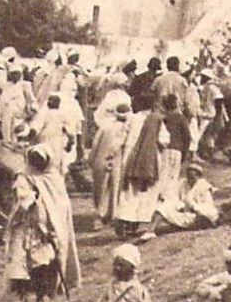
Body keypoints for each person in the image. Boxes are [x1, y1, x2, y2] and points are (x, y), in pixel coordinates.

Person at [4, 146, 80, 302]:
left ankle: (43, 296)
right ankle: (20, 297)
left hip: (46, 230)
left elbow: (61, 204)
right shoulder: (24, 175)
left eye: (41, 161)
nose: (37, 165)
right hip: (25, 226)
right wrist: (32, 198)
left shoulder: (54, 178)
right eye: (34, 160)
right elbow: (21, 198)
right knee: (19, 262)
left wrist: (53, 226)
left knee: (44, 263)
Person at [111, 92, 168, 236]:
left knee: (129, 192)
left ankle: (125, 220)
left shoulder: (132, 119)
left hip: (129, 158)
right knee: (144, 191)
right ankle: (135, 223)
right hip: (149, 159)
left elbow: (121, 138)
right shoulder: (156, 120)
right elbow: (164, 140)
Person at [88, 90, 131, 224]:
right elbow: (117, 145)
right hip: (114, 159)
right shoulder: (124, 129)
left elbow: (95, 144)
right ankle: (111, 215)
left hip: (100, 159)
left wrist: (92, 159)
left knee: (100, 188)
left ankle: (99, 215)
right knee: (114, 187)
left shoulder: (104, 127)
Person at [148, 161, 220, 235]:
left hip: (196, 216)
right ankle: (150, 231)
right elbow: (174, 197)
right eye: (188, 176)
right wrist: (180, 206)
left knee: (204, 217)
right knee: (164, 206)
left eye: (192, 177)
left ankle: (182, 228)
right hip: (184, 213)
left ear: (198, 176)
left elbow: (209, 207)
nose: (190, 180)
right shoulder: (183, 183)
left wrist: (194, 207)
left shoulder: (203, 187)